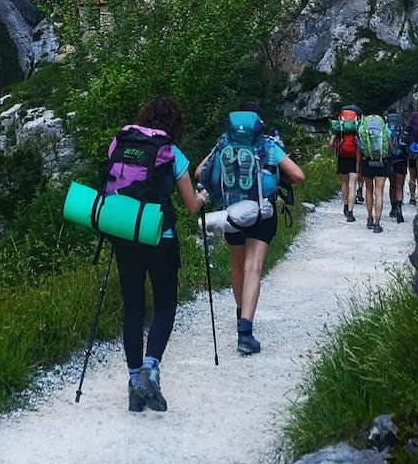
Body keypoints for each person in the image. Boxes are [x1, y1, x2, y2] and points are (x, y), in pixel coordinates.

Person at [107, 96, 205, 414]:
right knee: (164, 306)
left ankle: (134, 384)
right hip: (160, 237)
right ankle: (151, 368)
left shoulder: (119, 143)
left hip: (124, 234)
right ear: (175, 126)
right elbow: (191, 206)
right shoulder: (172, 153)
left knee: (133, 308)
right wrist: (203, 195)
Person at [197, 102, 305, 356]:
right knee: (253, 267)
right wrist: (278, 175)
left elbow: (199, 171)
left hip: (231, 213)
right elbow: (299, 176)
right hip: (261, 212)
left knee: (237, 265)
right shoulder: (267, 145)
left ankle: (240, 315)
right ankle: (246, 332)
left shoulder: (224, 143)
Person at [356, 113, 392, 233]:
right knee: (379, 192)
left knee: (369, 190)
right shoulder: (384, 127)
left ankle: (369, 218)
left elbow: (359, 147)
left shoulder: (363, 127)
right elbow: (391, 147)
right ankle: (377, 223)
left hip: (367, 162)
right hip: (381, 162)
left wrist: (358, 164)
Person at [327, 105, 361, 222]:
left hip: (342, 157)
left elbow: (331, 144)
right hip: (355, 159)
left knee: (344, 183)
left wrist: (337, 145)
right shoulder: (357, 127)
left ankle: (345, 206)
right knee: (352, 185)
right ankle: (351, 213)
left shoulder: (339, 127)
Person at [386, 112, 408, 223]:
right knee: (400, 186)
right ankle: (399, 208)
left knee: (392, 185)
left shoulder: (387, 129)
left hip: (390, 159)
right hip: (402, 159)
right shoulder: (405, 130)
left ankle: (393, 208)